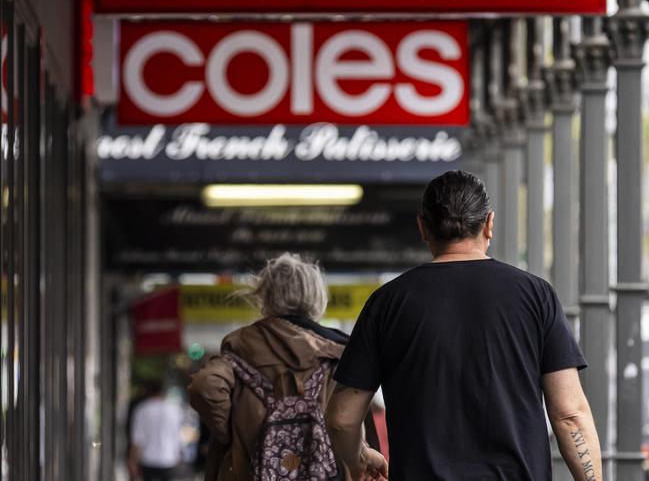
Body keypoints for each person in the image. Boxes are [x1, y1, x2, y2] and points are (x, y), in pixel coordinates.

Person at [325, 170, 602, 481]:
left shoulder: (387, 303)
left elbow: (342, 419)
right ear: (489, 224)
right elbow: (569, 416)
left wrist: (359, 458)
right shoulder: (536, 296)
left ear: (422, 226)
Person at [187, 253, 353, 481]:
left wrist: (233, 433)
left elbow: (204, 386)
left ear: (265, 296)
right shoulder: (336, 352)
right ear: (317, 297)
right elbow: (347, 426)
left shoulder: (241, 346)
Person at [129, 379, 184, 481]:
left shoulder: (141, 409)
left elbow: (137, 439)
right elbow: (177, 435)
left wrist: (132, 461)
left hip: (148, 459)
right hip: (168, 458)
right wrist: (179, 455)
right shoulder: (174, 410)